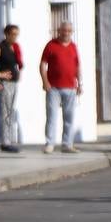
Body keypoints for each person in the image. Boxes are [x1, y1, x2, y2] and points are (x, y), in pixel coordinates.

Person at [40, 20, 81, 154]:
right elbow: (42, 64)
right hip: (54, 87)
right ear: (59, 31)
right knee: (51, 116)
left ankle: (67, 144)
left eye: (69, 31)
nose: (66, 33)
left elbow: (77, 66)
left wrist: (79, 83)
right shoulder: (51, 45)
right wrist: (45, 82)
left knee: (69, 117)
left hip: (70, 87)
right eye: (64, 30)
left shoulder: (73, 46)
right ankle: (50, 143)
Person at [0, 24, 23, 152]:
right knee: (6, 112)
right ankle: (5, 142)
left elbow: (18, 64)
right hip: (5, 83)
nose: (15, 37)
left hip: (14, 83)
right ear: (6, 34)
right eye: (12, 34)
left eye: (16, 34)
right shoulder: (1, 48)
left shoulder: (15, 48)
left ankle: (11, 139)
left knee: (11, 111)